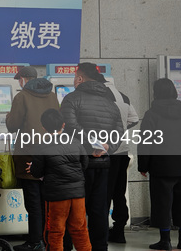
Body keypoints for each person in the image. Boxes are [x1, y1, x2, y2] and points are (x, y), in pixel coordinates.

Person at [60, 62, 123, 251]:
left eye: (74, 77)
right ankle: (100, 247)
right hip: (102, 162)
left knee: (74, 208)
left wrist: (92, 144)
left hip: (78, 162)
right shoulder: (110, 103)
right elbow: (119, 132)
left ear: (79, 78)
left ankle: (69, 245)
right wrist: (106, 148)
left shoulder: (71, 99)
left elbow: (70, 127)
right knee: (99, 209)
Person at [7, 66, 59, 251]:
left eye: (19, 79)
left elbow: (13, 125)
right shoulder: (52, 95)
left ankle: (35, 241)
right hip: (51, 150)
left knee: (33, 199)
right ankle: (46, 239)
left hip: (29, 152)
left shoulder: (21, 97)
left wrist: (8, 116)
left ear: (23, 79)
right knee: (47, 200)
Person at [27, 109, 91, 251]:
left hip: (56, 196)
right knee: (80, 231)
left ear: (43, 127)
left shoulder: (41, 146)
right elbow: (84, 164)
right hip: (78, 194)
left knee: (55, 233)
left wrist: (32, 167)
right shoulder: (76, 142)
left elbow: (37, 172)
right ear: (63, 124)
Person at [87, 72, 139, 244]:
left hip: (105, 152)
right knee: (119, 192)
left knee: (102, 195)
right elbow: (134, 118)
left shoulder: (97, 96)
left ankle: (99, 234)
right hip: (122, 151)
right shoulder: (123, 96)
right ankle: (119, 231)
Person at [138, 78, 181, 251]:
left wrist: (143, 166)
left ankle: (165, 241)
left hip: (161, 166)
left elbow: (145, 142)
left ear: (156, 92)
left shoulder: (152, 114)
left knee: (162, 204)